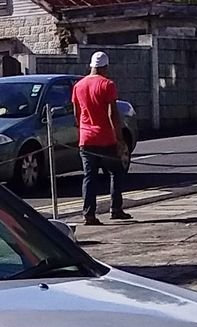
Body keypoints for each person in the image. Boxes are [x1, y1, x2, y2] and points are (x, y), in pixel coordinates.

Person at [71, 51, 129, 226]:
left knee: (89, 177)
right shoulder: (107, 84)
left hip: (86, 139)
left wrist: (81, 129)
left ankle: (89, 214)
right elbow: (113, 113)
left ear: (91, 66)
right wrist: (119, 138)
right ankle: (116, 209)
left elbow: (76, 112)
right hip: (105, 138)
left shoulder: (78, 86)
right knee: (116, 172)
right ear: (105, 67)